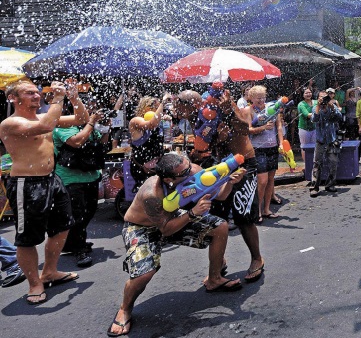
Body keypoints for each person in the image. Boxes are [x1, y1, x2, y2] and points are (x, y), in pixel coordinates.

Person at [107, 153, 244, 337]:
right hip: (142, 227)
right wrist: (193, 213)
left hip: (174, 217)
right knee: (144, 273)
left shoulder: (193, 170)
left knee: (220, 227)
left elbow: (220, 195)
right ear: (169, 179)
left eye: (189, 166)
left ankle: (214, 279)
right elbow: (165, 230)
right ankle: (125, 309)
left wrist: (229, 181)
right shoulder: (152, 194)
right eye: (185, 172)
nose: (191, 172)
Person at [0, 79, 89, 305]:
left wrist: (74, 97)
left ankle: (49, 271)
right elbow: (48, 126)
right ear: (14, 99)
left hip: (52, 179)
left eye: (36, 92)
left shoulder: (43, 117)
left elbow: (81, 120)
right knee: (27, 238)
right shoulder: (10, 123)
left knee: (63, 226)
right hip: (26, 184)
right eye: (29, 93)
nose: (37, 95)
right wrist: (58, 99)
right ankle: (34, 284)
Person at [175, 87, 266, 286]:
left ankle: (257, 258)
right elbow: (205, 146)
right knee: (216, 218)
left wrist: (230, 112)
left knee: (243, 216)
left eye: (182, 109)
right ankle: (218, 266)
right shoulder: (197, 116)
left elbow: (245, 129)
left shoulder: (223, 104)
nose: (179, 114)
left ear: (193, 104)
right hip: (219, 167)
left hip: (243, 163)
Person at [54, 101, 111, 267]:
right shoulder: (63, 125)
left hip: (90, 176)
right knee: (78, 214)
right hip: (70, 178)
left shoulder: (88, 125)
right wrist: (92, 122)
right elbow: (77, 142)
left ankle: (71, 242)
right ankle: (80, 249)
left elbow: (101, 143)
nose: (91, 111)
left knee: (90, 211)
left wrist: (106, 127)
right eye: (88, 109)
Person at [248, 85, 284, 222]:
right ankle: (257, 211)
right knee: (262, 181)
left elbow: (279, 126)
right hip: (258, 148)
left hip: (272, 147)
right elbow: (248, 130)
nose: (261, 100)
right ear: (251, 98)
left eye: (263, 97)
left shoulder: (272, 108)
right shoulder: (249, 110)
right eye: (258, 98)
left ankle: (267, 209)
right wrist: (263, 127)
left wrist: (281, 143)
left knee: (270, 180)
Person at [129, 94, 171, 189]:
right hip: (142, 167)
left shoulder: (156, 120)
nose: (158, 110)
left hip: (155, 166)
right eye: (155, 107)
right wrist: (163, 102)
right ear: (147, 108)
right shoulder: (136, 120)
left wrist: (166, 122)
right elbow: (152, 124)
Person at [309, 90, 343, 197]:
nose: (323, 99)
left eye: (325, 97)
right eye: (321, 97)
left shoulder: (332, 106)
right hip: (320, 140)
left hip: (331, 140)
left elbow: (339, 117)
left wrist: (331, 106)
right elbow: (314, 119)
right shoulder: (315, 107)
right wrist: (319, 106)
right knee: (317, 164)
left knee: (333, 163)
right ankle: (314, 187)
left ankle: (330, 184)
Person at [297, 87, 316, 164]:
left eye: (309, 92)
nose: (308, 94)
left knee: (315, 146)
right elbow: (307, 114)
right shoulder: (301, 104)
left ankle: (314, 163)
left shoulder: (316, 102)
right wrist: (318, 113)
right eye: (306, 93)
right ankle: (306, 164)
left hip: (314, 128)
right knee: (304, 147)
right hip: (304, 129)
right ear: (303, 95)